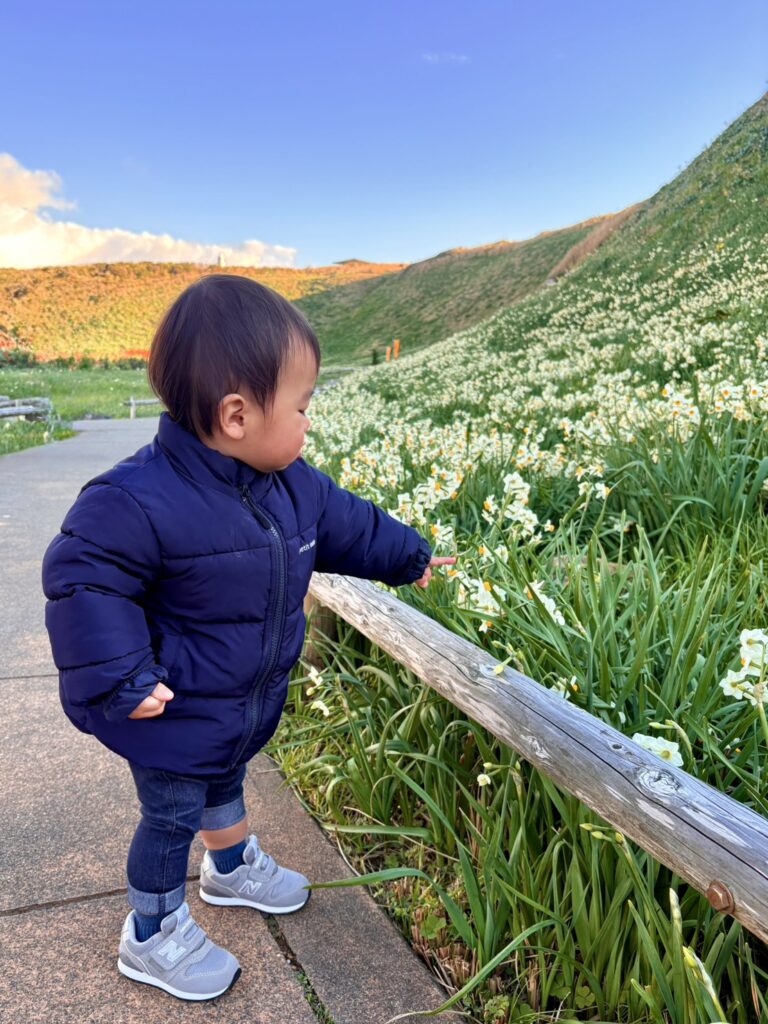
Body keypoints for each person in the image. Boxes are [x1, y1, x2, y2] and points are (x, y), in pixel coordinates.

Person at [41, 274, 456, 1002]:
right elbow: (84, 583)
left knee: (225, 784)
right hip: (170, 710)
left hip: (237, 705)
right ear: (237, 415)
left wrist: (411, 556)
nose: (308, 424)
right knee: (171, 816)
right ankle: (152, 931)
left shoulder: (291, 484)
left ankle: (228, 872)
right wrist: (120, 678)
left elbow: (351, 525)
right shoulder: (133, 498)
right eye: (301, 406)